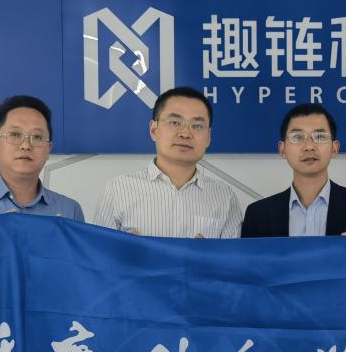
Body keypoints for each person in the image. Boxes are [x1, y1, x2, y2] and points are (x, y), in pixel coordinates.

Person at [93, 86, 242, 238]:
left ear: (208, 137)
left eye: (197, 125)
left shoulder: (225, 197)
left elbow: (231, 254)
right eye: (175, 122)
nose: (185, 133)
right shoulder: (117, 190)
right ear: (154, 130)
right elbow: (97, 251)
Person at [241, 104, 346, 237]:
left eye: (320, 137)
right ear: (282, 149)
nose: (309, 146)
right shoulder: (257, 215)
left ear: (334, 148)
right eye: (297, 137)